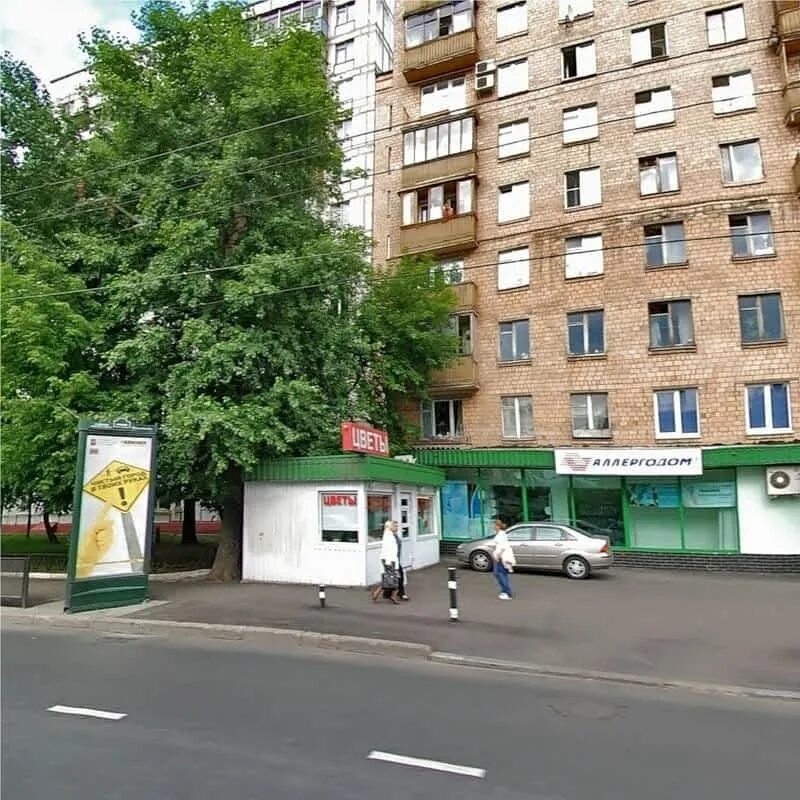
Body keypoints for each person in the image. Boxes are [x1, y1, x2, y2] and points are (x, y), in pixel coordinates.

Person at [372, 520, 400, 604]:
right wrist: (388, 562)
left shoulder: (391, 535)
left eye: (397, 526)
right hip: (389, 560)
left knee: (390, 578)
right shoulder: (388, 536)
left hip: (391, 559)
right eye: (395, 526)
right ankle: (391, 595)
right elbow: (387, 549)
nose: (397, 528)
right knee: (393, 578)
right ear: (391, 527)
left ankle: (377, 594)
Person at [491, 518, 515, 600]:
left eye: (494, 525)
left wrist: (497, 555)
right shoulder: (500, 534)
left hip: (501, 557)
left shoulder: (501, 535)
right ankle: (504, 591)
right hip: (499, 557)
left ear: (498, 526)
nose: (493, 527)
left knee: (501, 574)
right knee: (498, 574)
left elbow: (502, 547)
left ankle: (507, 593)